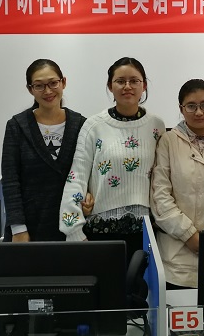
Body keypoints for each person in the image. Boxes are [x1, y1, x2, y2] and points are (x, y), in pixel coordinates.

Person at [59, 57, 165, 261]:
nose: (127, 86)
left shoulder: (157, 126)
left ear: (144, 85)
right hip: (100, 234)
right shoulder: (93, 126)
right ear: (110, 86)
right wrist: (74, 232)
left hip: (147, 232)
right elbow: (76, 178)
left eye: (134, 81)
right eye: (120, 81)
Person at [150, 79, 204, 289]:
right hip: (175, 261)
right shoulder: (168, 142)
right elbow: (160, 196)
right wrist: (190, 236)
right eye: (191, 106)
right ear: (181, 109)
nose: (199, 112)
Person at [1, 59, 86, 242]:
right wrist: (18, 228)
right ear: (30, 89)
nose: (47, 91)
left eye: (53, 83)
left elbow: (87, 174)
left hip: (72, 227)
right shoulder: (17, 126)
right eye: (39, 86)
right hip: (28, 228)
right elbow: (10, 180)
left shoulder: (81, 124)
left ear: (63, 82)